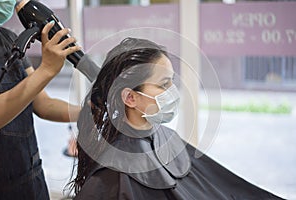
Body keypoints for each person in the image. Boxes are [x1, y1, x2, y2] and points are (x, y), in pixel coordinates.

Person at [71, 37, 285, 200]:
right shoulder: (114, 174)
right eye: (163, 84)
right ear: (130, 97)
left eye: (171, 82)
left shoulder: (165, 137)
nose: (172, 91)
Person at [0, 0, 81, 199]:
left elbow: (43, 104)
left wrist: (88, 111)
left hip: (30, 179)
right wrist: (47, 70)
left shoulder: (8, 40)